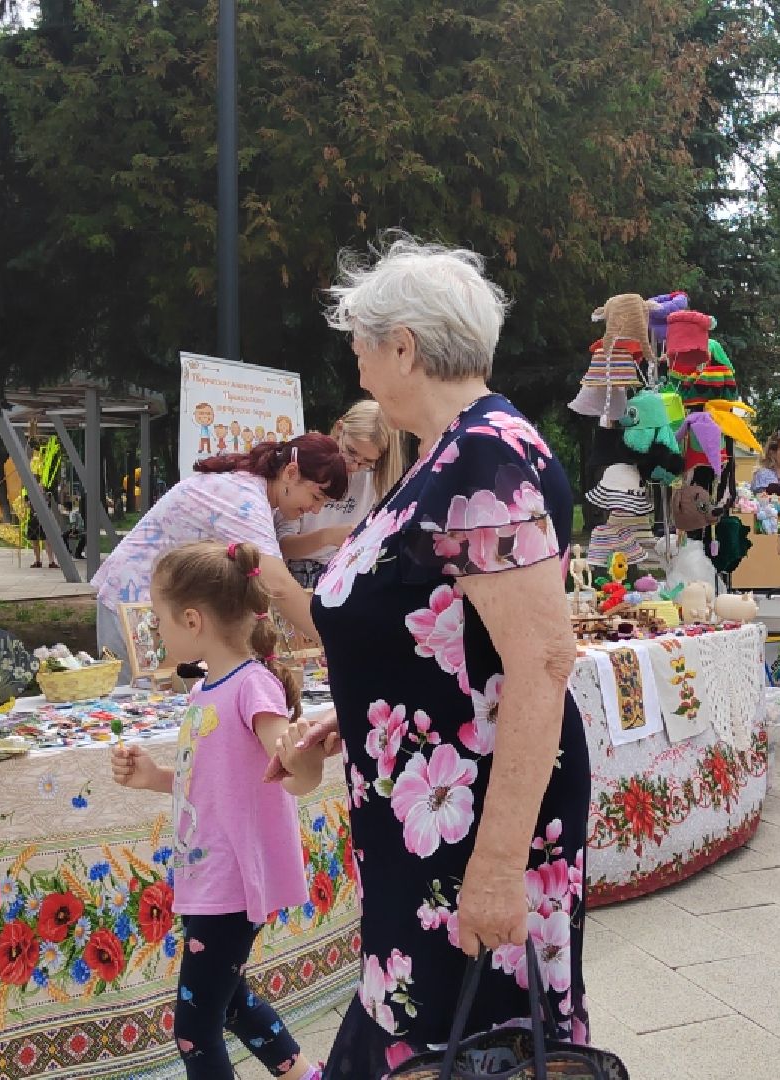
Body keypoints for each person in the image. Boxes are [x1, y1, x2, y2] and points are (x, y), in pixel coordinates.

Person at [277, 234, 590, 1077]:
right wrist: (364, 718)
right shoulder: (445, 457)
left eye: (361, 342)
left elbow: (541, 662)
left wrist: (494, 870)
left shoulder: (486, 457)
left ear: (404, 347)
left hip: (469, 831)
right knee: (430, 1039)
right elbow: (440, 634)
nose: (355, 359)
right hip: (427, 810)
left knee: (467, 1045)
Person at [109, 542, 323, 1080]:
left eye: (159, 620)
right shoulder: (207, 689)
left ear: (191, 619)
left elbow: (288, 762)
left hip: (229, 884)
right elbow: (213, 783)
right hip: (207, 877)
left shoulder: (251, 686)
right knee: (228, 1003)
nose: (157, 632)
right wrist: (156, 777)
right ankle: (306, 1074)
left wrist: (297, 749)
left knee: (194, 1029)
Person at [91, 435, 347, 664]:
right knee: (140, 704)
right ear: (291, 473)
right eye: (316, 497)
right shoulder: (244, 500)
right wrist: (339, 643)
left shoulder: (251, 490)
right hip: (134, 603)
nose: (315, 510)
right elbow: (278, 585)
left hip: (161, 605)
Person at [279, 400, 406, 588]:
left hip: (345, 570)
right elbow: (283, 545)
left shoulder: (375, 481)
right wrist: (328, 537)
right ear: (339, 429)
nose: (354, 466)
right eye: (351, 452)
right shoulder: (311, 464)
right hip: (298, 572)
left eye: (366, 462)